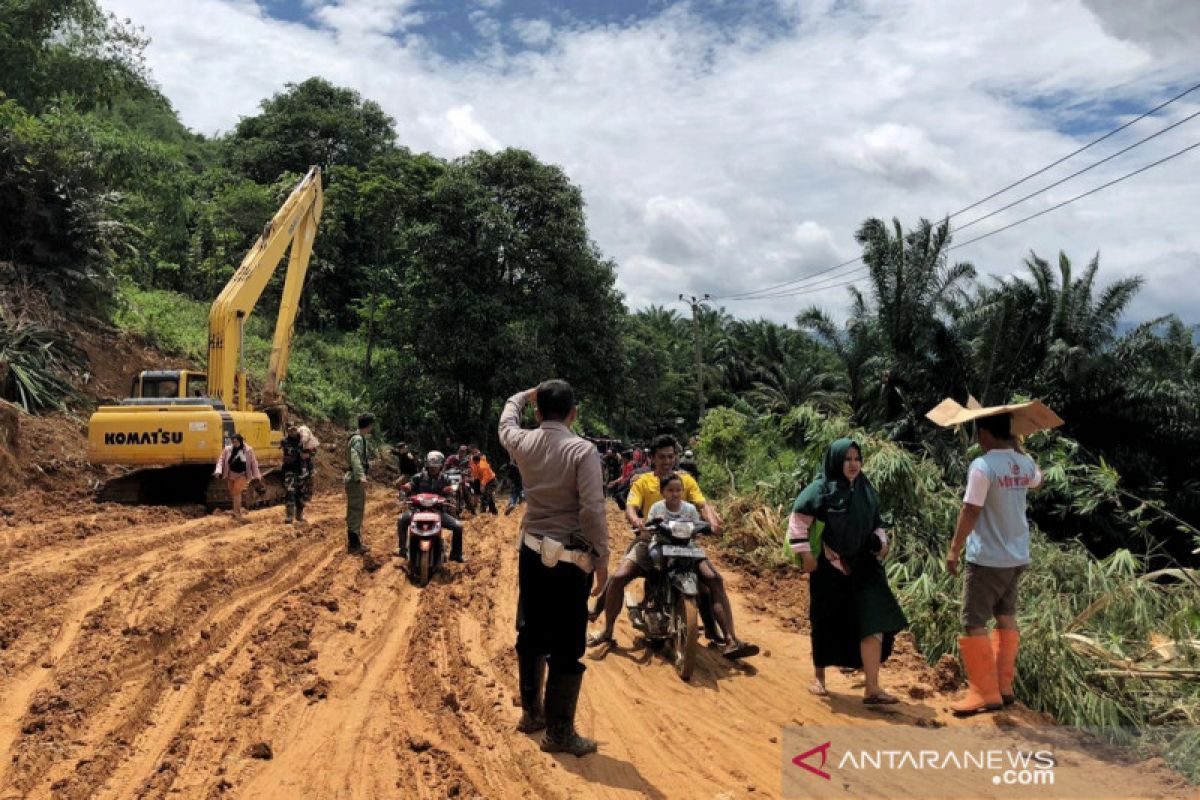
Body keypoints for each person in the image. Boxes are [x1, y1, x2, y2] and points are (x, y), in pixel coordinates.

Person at [499, 380, 608, 757]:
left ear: (538, 412)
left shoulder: (523, 441)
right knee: (567, 644)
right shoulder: (583, 451)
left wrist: (523, 395)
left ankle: (532, 715)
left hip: (532, 551)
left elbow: (505, 419)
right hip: (571, 561)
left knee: (530, 631)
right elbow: (592, 510)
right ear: (574, 413)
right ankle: (560, 734)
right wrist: (603, 559)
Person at [590, 435, 757, 659]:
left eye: (670, 456)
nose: (667, 461)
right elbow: (631, 506)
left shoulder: (685, 481)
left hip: (685, 543)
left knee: (714, 580)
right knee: (619, 577)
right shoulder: (643, 481)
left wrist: (712, 521)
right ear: (652, 458)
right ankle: (607, 631)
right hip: (650, 540)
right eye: (662, 457)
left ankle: (730, 639)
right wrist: (636, 520)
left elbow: (702, 503)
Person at [789, 438, 908, 705]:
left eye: (857, 459)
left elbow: (877, 522)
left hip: (864, 566)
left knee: (874, 620)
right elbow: (798, 521)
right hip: (829, 567)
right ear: (836, 461)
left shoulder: (865, 489)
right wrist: (807, 555)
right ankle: (819, 678)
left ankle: (872, 687)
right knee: (824, 620)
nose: (853, 464)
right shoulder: (819, 490)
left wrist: (881, 543)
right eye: (847, 459)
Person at [946, 413, 1042, 716]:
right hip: (1016, 556)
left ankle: (983, 692)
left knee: (973, 621)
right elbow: (1039, 481)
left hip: (987, 558)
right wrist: (1018, 447)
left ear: (984, 434)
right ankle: (1003, 687)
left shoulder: (982, 466)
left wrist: (954, 549)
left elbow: (971, 510)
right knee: (1006, 615)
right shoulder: (1024, 463)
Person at [398, 450, 466, 562]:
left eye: (436, 466)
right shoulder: (418, 477)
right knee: (401, 520)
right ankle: (402, 550)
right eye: (430, 466)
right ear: (427, 465)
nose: (433, 468)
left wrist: (450, 493)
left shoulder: (445, 479)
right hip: (418, 511)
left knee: (458, 526)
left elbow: (452, 492)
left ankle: (456, 555)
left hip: (438, 512)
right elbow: (411, 484)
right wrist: (407, 487)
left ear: (441, 466)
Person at [214, 433, 263, 523]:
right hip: (230, 474)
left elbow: (253, 463)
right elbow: (221, 460)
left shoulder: (248, 450)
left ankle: (237, 513)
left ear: (240, 441)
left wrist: (257, 476)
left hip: (242, 474)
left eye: (236, 441)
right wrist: (218, 471)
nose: (235, 443)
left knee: (237, 491)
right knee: (232, 492)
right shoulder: (228, 449)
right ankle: (236, 510)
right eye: (233, 441)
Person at [344, 413, 374, 554]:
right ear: (369, 425)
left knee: (355, 509)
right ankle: (354, 545)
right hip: (355, 479)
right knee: (356, 510)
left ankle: (355, 542)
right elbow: (355, 457)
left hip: (353, 477)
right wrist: (361, 476)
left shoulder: (356, 437)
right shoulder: (358, 440)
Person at [281, 423, 315, 523]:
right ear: (287, 431)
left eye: (294, 429)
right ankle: (290, 516)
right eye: (290, 430)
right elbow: (290, 452)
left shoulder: (304, 439)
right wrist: (301, 450)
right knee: (290, 492)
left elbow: (313, 451)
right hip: (290, 471)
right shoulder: (285, 441)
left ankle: (299, 515)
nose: (293, 431)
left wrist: (308, 453)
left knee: (301, 494)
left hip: (303, 471)